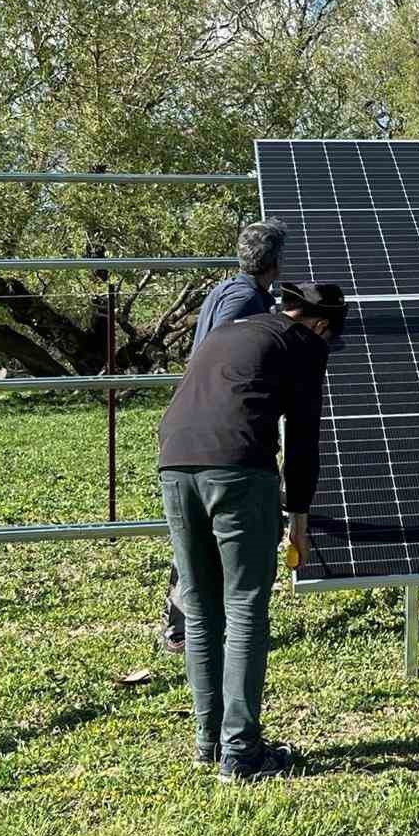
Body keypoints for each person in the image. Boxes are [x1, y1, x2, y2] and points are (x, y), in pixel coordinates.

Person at [156, 279, 347, 783]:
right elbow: (303, 438)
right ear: (320, 324)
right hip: (238, 468)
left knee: (198, 606)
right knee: (244, 607)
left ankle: (208, 742)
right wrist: (299, 517)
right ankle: (241, 753)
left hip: (174, 462)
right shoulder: (303, 343)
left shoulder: (232, 329)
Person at [159, 219, 288, 653]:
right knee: (221, 540)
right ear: (274, 263)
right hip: (223, 428)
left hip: (188, 424)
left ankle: (184, 627)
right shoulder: (245, 300)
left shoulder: (223, 289)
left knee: (194, 537)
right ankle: (189, 629)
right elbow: (236, 354)